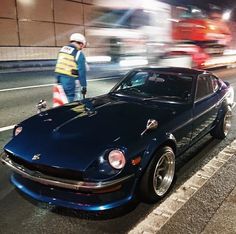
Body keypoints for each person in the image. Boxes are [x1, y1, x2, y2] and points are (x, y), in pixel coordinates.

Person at [55, 33, 87, 102]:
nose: (81, 48)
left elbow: (58, 65)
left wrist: (57, 80)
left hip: (61, 80)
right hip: (72, 81)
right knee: (73, 102)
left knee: (63, 101)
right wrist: (84, 86)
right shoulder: (78, 53)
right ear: (81, 44)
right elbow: (82, 72)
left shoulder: (62, 50)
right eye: (82, 46)